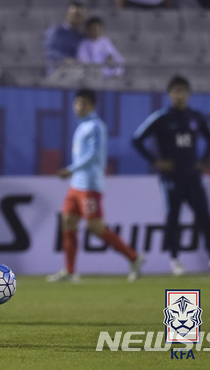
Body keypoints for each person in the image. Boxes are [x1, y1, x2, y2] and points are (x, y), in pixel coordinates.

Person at [132, 75, 210, 276]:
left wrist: (204, 161)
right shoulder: (161, 117)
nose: (179, 95)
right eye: (175, 91)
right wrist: (155, 161)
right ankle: (175, 260)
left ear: (189, 94)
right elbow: (137, 139)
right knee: (173, 219)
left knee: (205, 217)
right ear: (169, 95)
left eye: (183, 91)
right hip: (171, 178)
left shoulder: (196, 117)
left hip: (192, 176)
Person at [46, 88, 144, 284]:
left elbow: (93, 155)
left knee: (96, 228)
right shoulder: (82, 126)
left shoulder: (96, 126)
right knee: (67, 223)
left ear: (92, 105)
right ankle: (70, 270)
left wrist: (71, 169)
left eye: (83, 103)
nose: (78, 107)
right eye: (76, 103)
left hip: (90, 185)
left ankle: (134, 258)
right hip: (76, 186)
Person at [43, 1, 86, 75]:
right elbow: (50, 51)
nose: (78, 17)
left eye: (80, 15)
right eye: (76, 14)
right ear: (67, 14)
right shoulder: (55, 31)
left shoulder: (82, 36)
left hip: (77, 72)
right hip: (58, 71)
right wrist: (65, 60)